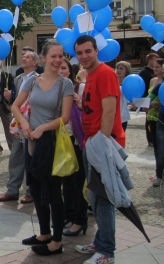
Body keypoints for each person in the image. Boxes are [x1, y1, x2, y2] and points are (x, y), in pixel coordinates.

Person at [12, 40, 73, 256]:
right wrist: (26, 124)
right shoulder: (32, 82)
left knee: (54, 192)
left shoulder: (65, 84)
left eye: (61, 56)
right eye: (54, 56)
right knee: (36, 189)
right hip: (32, 142)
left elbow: (65, 118)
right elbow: (15, 106)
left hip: (51, 143)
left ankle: (57, 241)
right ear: (44, 58)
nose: (58, 60)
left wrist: (43, 128)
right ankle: (44, 233)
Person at [74, 35, 125, 264]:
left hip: (102, 145)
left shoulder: (105, 73)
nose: (84, 56)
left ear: (96, 50)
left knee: (103, 200)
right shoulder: (91, 76)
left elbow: (109, 112)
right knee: (94, 198)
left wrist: (102, 145)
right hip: (90, 143)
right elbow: (91, 109)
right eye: (80, 53)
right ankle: (100, 240)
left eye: (88, 51)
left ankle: (107, 252)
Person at [0, 51, 39, 204]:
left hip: (31, 122)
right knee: (15, 157)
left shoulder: (38, 78)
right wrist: (9, 98)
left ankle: (31, 191)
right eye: (23, 56)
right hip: (18, 123)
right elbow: (16, 102)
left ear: (35, 62)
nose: (23, 59)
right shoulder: (18, 79)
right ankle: (12, 190)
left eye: (27, 57)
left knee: (30, 159)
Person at [58, 58, 88, 238]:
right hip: (60, 138)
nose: (60, 71)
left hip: (76, 139)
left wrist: (79, 104)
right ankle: (68, 214)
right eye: (57, 68)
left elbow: (88, 112)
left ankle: (80, 219)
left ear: (70, 70)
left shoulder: (80, 88)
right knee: (65, 180)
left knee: (78, 180)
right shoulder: (52, 89)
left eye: (64, 68)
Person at [146, 59, 164, 183]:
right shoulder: (158, 86)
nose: (155, 69)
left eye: (158, 66)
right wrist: (139, 103)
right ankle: (159, 176)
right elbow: (148, 98)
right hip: (161, 119)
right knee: (160, 148)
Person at [141, 53, 159, 147]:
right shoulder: (145, 72)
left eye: (157, 66)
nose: (155, 68)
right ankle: (151, 139)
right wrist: (144, 102)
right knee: (149, 122)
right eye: (154, 66)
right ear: (149, 60)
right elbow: (147, 91)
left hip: (159, 107)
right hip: (150, 104)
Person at [116, 61, 131, 132]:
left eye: (121, 68)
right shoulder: (112, 81)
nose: (118, 70)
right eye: (117, 68)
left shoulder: (129, 83)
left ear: (126, 71)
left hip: (122, 115)